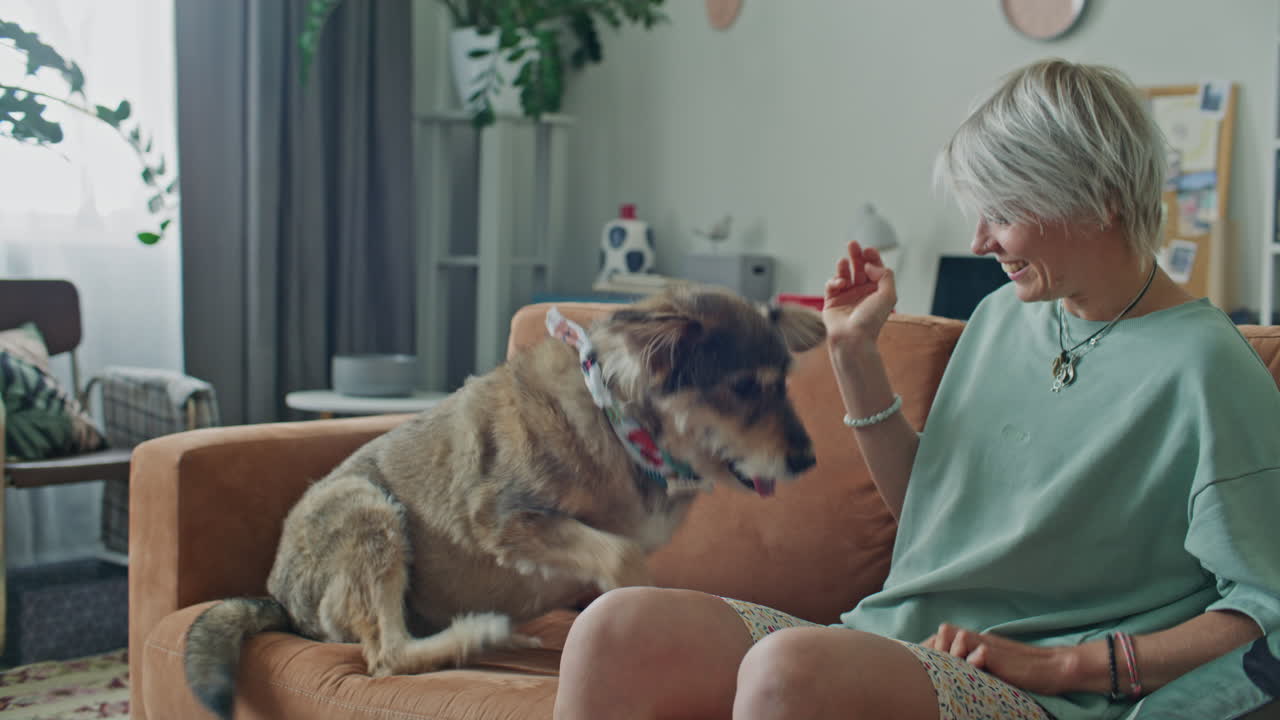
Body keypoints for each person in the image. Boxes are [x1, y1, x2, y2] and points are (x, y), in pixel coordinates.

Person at [552, 58, 1280, 720]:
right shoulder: (1001, 320)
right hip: (899, 641)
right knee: (614, 628)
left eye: (1002, 211)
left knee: (788, 671)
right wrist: (853, 353)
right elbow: (936, 521)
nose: (980, 240)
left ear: (1097, 200)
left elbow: (1265, 608)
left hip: (1038, 694)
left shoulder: (1207, 368)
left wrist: (1074, 664)